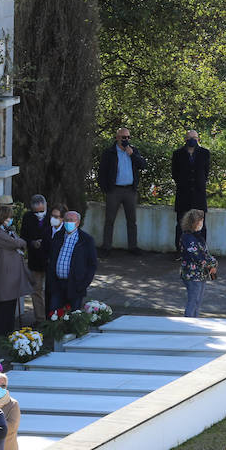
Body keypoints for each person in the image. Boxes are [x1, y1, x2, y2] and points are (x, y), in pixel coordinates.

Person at [98, 127, 147, 255]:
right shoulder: (109, 152)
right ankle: (106, 247)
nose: (126, 140)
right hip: (114, 190)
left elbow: (142, 165)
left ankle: (133, 247)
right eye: (123, 137)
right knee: (109, 220)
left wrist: (132, 154)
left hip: (130, 190)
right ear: (117, 138)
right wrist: (106, 189)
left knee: (132, 220)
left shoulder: (133, 150)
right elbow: (102, 172)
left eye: (128, 137)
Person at [0, 206, 34, 338]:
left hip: (11, 275)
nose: (10, 220)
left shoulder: (5, 230)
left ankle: (8, 333)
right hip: (4, 275)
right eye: (9, 217)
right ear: (2, 218)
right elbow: (16, 243)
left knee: (10, 307)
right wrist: (21, 241)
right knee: (4, 308)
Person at [48, 211, 98, 313]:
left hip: (75, 286)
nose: (68, 223)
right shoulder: (58, 236)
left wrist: (83, 285)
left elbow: (92, 265)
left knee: (73, 318)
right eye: (66, 220)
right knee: (54, 316)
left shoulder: (86, 240)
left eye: (71, 220)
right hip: (57, 284)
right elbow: (51, 258)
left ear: (78, 223)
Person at [172, 130, 211, 253]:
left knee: (201, 225)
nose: (193, 140)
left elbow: (206, 172)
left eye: (195, 137)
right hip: (183, 194)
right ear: (185, 139)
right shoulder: (177, 154)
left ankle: (201, 251)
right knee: (181, 225)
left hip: (199, 194)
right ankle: (180, 250)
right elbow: (175, 174)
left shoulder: (205, 153)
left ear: (198, 139)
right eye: (190, 138)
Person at [178, 209, 217, 317]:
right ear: (193, 222)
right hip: (192, 274)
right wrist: (210, 265)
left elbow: (205, 253)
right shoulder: (188, 237)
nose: (201, 224)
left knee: (197, 301)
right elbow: (197, 255)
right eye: (200, 221)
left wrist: (213, 263)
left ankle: (194, 320)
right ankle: (189, 323)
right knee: (193, 301)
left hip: (200, 274)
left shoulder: (197, 236)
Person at [20, 195, 52, 323]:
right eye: (36, 212)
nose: (39, 214)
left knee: (51, 291)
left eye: (41, 211)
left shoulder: (52, 216)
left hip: (50, 260)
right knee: (36, 290)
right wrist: (32, 243)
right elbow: (23, 236)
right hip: (35, 260)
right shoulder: (28, 217)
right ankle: (40, 319)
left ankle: (52, 317)